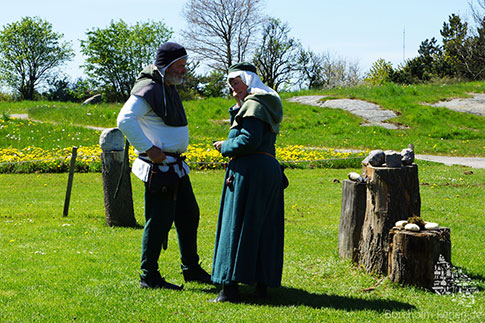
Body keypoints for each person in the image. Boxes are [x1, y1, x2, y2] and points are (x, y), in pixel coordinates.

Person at [117, 42, 211, 290]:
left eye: (184, 65)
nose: (183, 70)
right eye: (180, 66)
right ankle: (149, 275)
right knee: (158, 221)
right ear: (167, 66)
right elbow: (124, 119)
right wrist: (148, 148)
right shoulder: (149, 88)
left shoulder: (166, 87)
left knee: (189, 215)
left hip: (176, 168)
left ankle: (190, 268)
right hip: (160, 169)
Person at [211, 62, 285, 302]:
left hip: (250, 173)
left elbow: (249, 140)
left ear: (248, 80)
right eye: (231, 87)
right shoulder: (261, 103)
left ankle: (229, 289)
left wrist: (225, 147)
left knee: (237, 224)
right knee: (262, 227)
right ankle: (261, 285)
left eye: (236, 84)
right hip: (265, 170)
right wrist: (236, 109)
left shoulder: (254, 105)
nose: (234, 91)